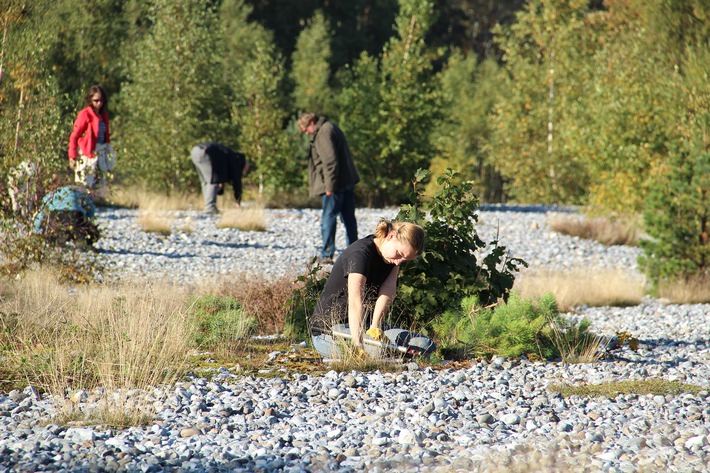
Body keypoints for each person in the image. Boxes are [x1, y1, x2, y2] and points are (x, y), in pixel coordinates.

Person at [310, 220, 435, 360]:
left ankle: (389, 353)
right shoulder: (360, 255)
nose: (399, 262)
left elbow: (388, 292)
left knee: (426, 345)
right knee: (376, 351)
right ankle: (386, 354)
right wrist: (359, 344)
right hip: (330, 331)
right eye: (399, 254)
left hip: (367, 326)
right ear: (391, 236)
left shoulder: (392, 259)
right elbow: (355, 301)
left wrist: (375, 327)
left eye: (404, 260)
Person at [298, 113, 359, 263]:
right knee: (349, 219)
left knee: (328, 218)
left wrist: (329, 187)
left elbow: (330, 162)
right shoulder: (331, 127)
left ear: (312, 122)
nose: (306, 133)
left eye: (306, 129)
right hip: (346, 182)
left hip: (335, 186)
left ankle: (326, 255)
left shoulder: (324, 131)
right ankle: (355, 253)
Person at [68, 85, 116, 195]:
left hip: (101, 155)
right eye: (96, 100)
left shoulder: (103, 116)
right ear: (90, 100)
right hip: (87, 155)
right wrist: (72, 156)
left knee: (99, 187)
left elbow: (105, 137)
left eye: (101, 100)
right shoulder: (85, 114)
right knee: (84, 185)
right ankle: (82, 210)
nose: (99, 103)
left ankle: (94, 209)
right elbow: (74, 136)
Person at [190, 142, 249, 214]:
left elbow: (221, 172)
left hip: (195, 151)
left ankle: (209, 206)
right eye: (246, 169)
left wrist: (220, 182)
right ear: (245, 165)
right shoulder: (236, 161)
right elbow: (237, 182)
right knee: (212, 181)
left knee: (205, 182)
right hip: (205, 152)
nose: (245, 172)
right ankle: (210, 208)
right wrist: (238, 201)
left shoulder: (229, 156)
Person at [32, 186, 100, 248]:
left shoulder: (50, 195)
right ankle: (80, 240)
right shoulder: (76, 192)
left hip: (57, 216)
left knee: (52, 229)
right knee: (81, 231)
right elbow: (91, 206)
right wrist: (88, 218)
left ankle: (57, 240)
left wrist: (36, 229)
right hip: (76, 216)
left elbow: (41, 214)